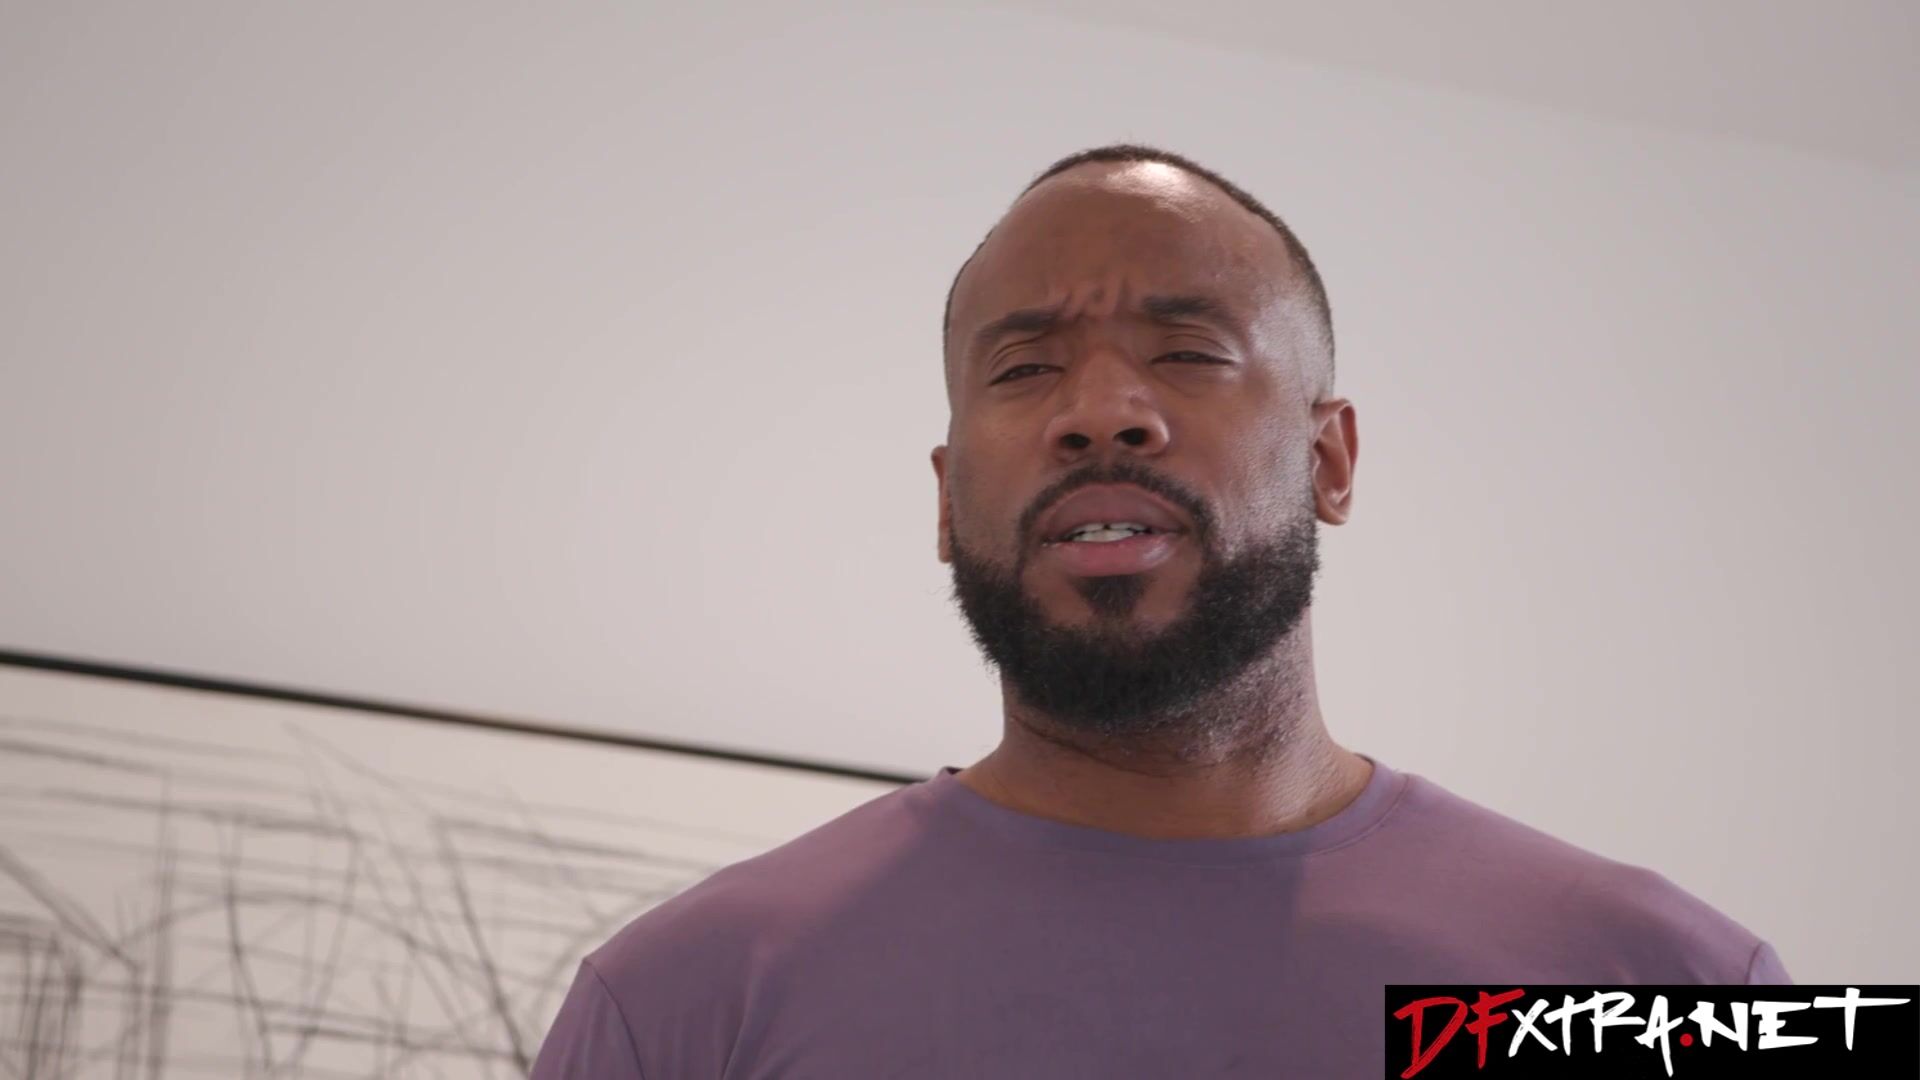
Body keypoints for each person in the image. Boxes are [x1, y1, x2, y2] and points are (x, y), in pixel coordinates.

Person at [530, 143, 1789, 1078]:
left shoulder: (1673, 990)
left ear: (1329, 460)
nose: (1101, 412)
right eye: (1026, 368)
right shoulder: (682, 1003)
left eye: (1187, 352)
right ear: (947, 499)